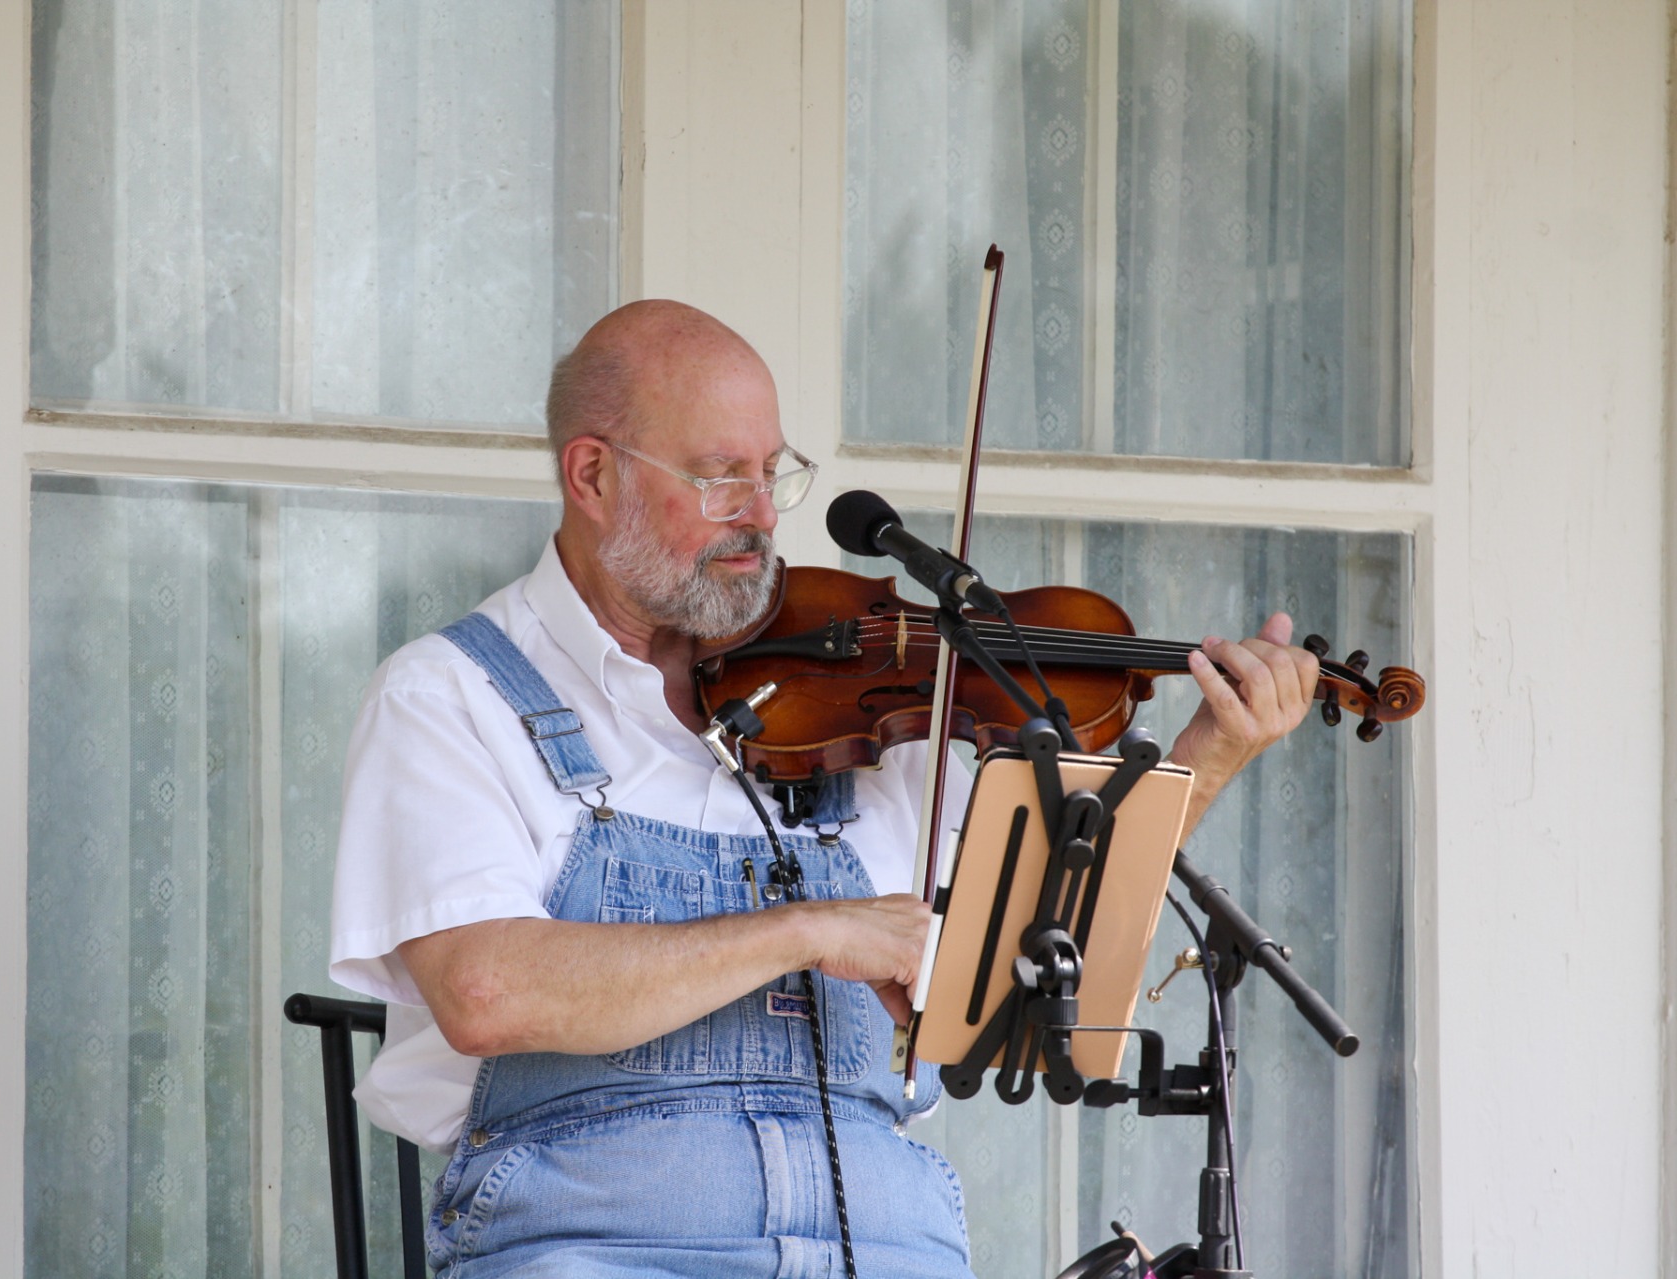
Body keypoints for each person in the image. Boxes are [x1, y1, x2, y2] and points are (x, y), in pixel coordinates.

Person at [329, 300, 1320, 1277]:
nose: (762, 517)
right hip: (598, 1247)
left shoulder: (859, 706)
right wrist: (814, 929)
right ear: (592, 475)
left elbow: (1029, 960)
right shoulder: (452, 695)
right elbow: (488, 991)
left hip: (886, 1244)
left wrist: (1212, 749)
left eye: (773, 474)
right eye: (720, 478)